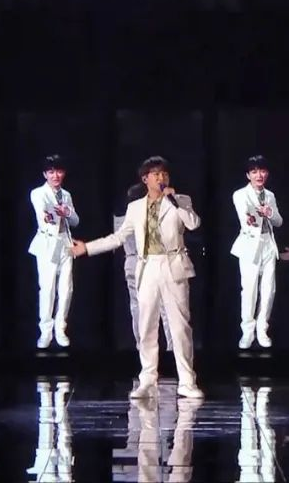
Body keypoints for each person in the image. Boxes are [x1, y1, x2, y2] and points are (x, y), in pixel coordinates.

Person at [71, 156, 204, 399]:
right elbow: (118, 238)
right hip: (148, 266)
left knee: (180, 327)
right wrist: (87, 248)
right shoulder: (135, 208)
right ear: (145, 179)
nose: (161, 178)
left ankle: (187, 381)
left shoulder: (181, 200)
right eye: (156, 174)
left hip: (173, 265)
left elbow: (194, 224)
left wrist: (176, 202)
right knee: (146, 326)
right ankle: (147, 380)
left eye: (164, 174)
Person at [230, 155, 284, 349]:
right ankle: (247, 331)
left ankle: (262, 329)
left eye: (262, 171)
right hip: (250, 245)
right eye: (254, 172)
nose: (259, 175)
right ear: (248, 175)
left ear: (267, 173)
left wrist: (271, 213)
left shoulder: (270, 195)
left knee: (269, 290)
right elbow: (246, 219)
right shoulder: (240, 194)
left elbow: (279, 222)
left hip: (268, 244)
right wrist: (256, 216)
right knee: (250, 290)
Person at [28, 155, 80, 348]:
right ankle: (46, 331)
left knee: (66, 289)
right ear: (45, 174)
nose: (55, 176)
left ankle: (60, 328)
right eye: (51, 172)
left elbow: (75, 221)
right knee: (48, 289)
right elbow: (42, 214)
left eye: (58, 171)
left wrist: (68, 213)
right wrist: (50, 216)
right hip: (48, 243)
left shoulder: (66, 195)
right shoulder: (38, 193)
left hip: (66, 243)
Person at [116, 182, 173, 352]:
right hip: (150, 261)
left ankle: (142, 346)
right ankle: (171, 347)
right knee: (164, 306)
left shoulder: (120, 219)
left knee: (138, 307)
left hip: (132, 262)